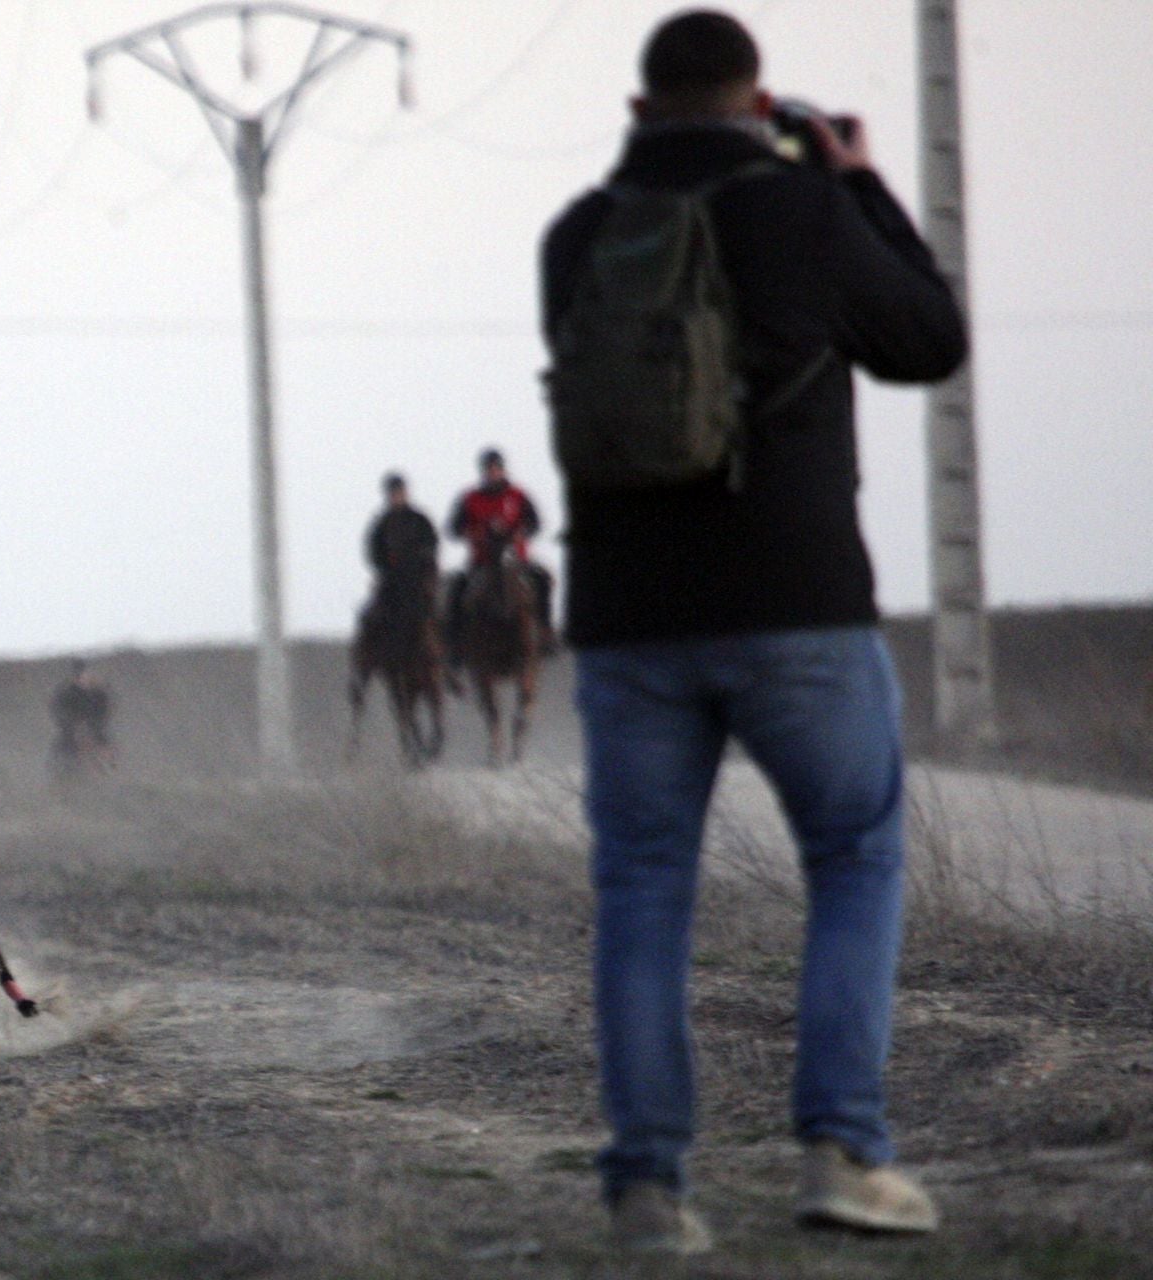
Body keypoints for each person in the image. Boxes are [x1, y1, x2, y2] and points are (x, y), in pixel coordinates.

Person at [540, 10, 966, 1254]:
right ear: (760, 100)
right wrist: (861, 180)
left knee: (642, 890)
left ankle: (647, 1187)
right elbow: (929, 342)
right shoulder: (803, 209)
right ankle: (843, 1150)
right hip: (797, 607)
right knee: (851, 858)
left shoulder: (581, 234)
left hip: (628, 621)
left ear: (639, 108)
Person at [443, 448, 554, 662]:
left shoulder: (518, 495)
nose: (493, 473)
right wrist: (472, 532)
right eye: (489, 470)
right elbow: (454, 528)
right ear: (483, 472)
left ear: (503, 470)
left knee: (543, 578)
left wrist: (521, 532)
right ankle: (456, 645)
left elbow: (535, 523)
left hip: (515, 560)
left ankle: (546, 633)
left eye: (496, 469)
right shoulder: (470, 498)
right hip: (482, 561)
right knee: (456, 589)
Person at [365, 471, 440, 612]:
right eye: (393, 493)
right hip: (392, 577)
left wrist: (423, 560)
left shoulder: (420, 520)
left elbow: (432, 543)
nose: (397, 496)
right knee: (375, 611)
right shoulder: (382, 523)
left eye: (400, 492)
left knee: (434, 607)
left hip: (418, 576)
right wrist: (386, 563)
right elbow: (374, 550)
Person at [50, 657, 114, 775]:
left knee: (100, 738)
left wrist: (96, 721)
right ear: (76, 677)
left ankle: (106, 763)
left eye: (88, 675)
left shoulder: (98, 692)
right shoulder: (66, 692)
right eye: (82, 676)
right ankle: (68, 766)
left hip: (93, 721)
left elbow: (104, 709)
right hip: (72, 723)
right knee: (67, 741)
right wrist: (71, 723)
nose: (86, 679)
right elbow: (59, 709)